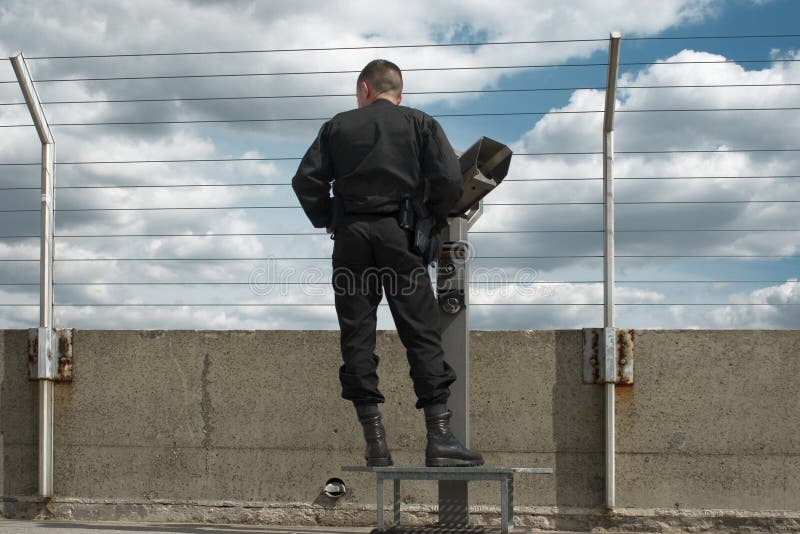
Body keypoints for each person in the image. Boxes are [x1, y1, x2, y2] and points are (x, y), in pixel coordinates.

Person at [292, 59, 483, 468]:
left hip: (351, 239)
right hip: (402, 236)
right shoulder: (420, 123)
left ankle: (375, 443)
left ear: (365, 89)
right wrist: (429, 219)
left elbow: (305, 181)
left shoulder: (337, 126)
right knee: (421, 333)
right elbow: (449, 180)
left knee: (357, 334)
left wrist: (330, 217)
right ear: (398, 91)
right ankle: (440, 439)